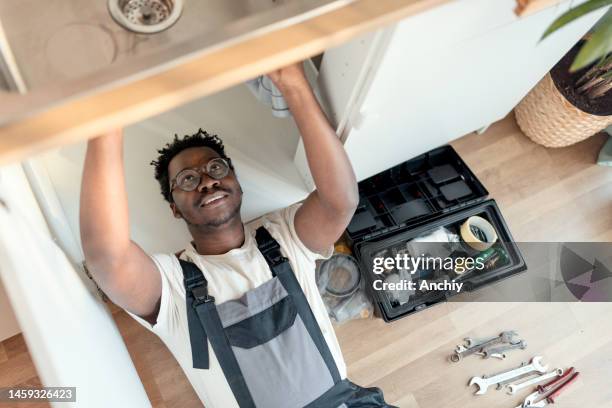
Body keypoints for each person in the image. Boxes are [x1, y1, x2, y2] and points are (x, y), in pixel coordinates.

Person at [80, 62, 395, 407]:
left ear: (236, 183)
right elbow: (107, 257)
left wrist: (292, 81)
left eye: (216, 168)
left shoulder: (283, 236)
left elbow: (340, 200)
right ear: (174, 207)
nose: (207, 180)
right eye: (187, 179)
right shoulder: (170, 286)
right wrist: (107, 123)